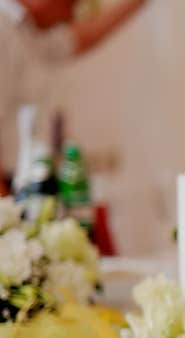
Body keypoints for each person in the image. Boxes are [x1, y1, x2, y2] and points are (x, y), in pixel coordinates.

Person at [0, 0, 146, 193]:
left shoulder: (26, 31)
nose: (71, 15)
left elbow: (76, 39)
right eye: (70, 4)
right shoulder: (4, 30)